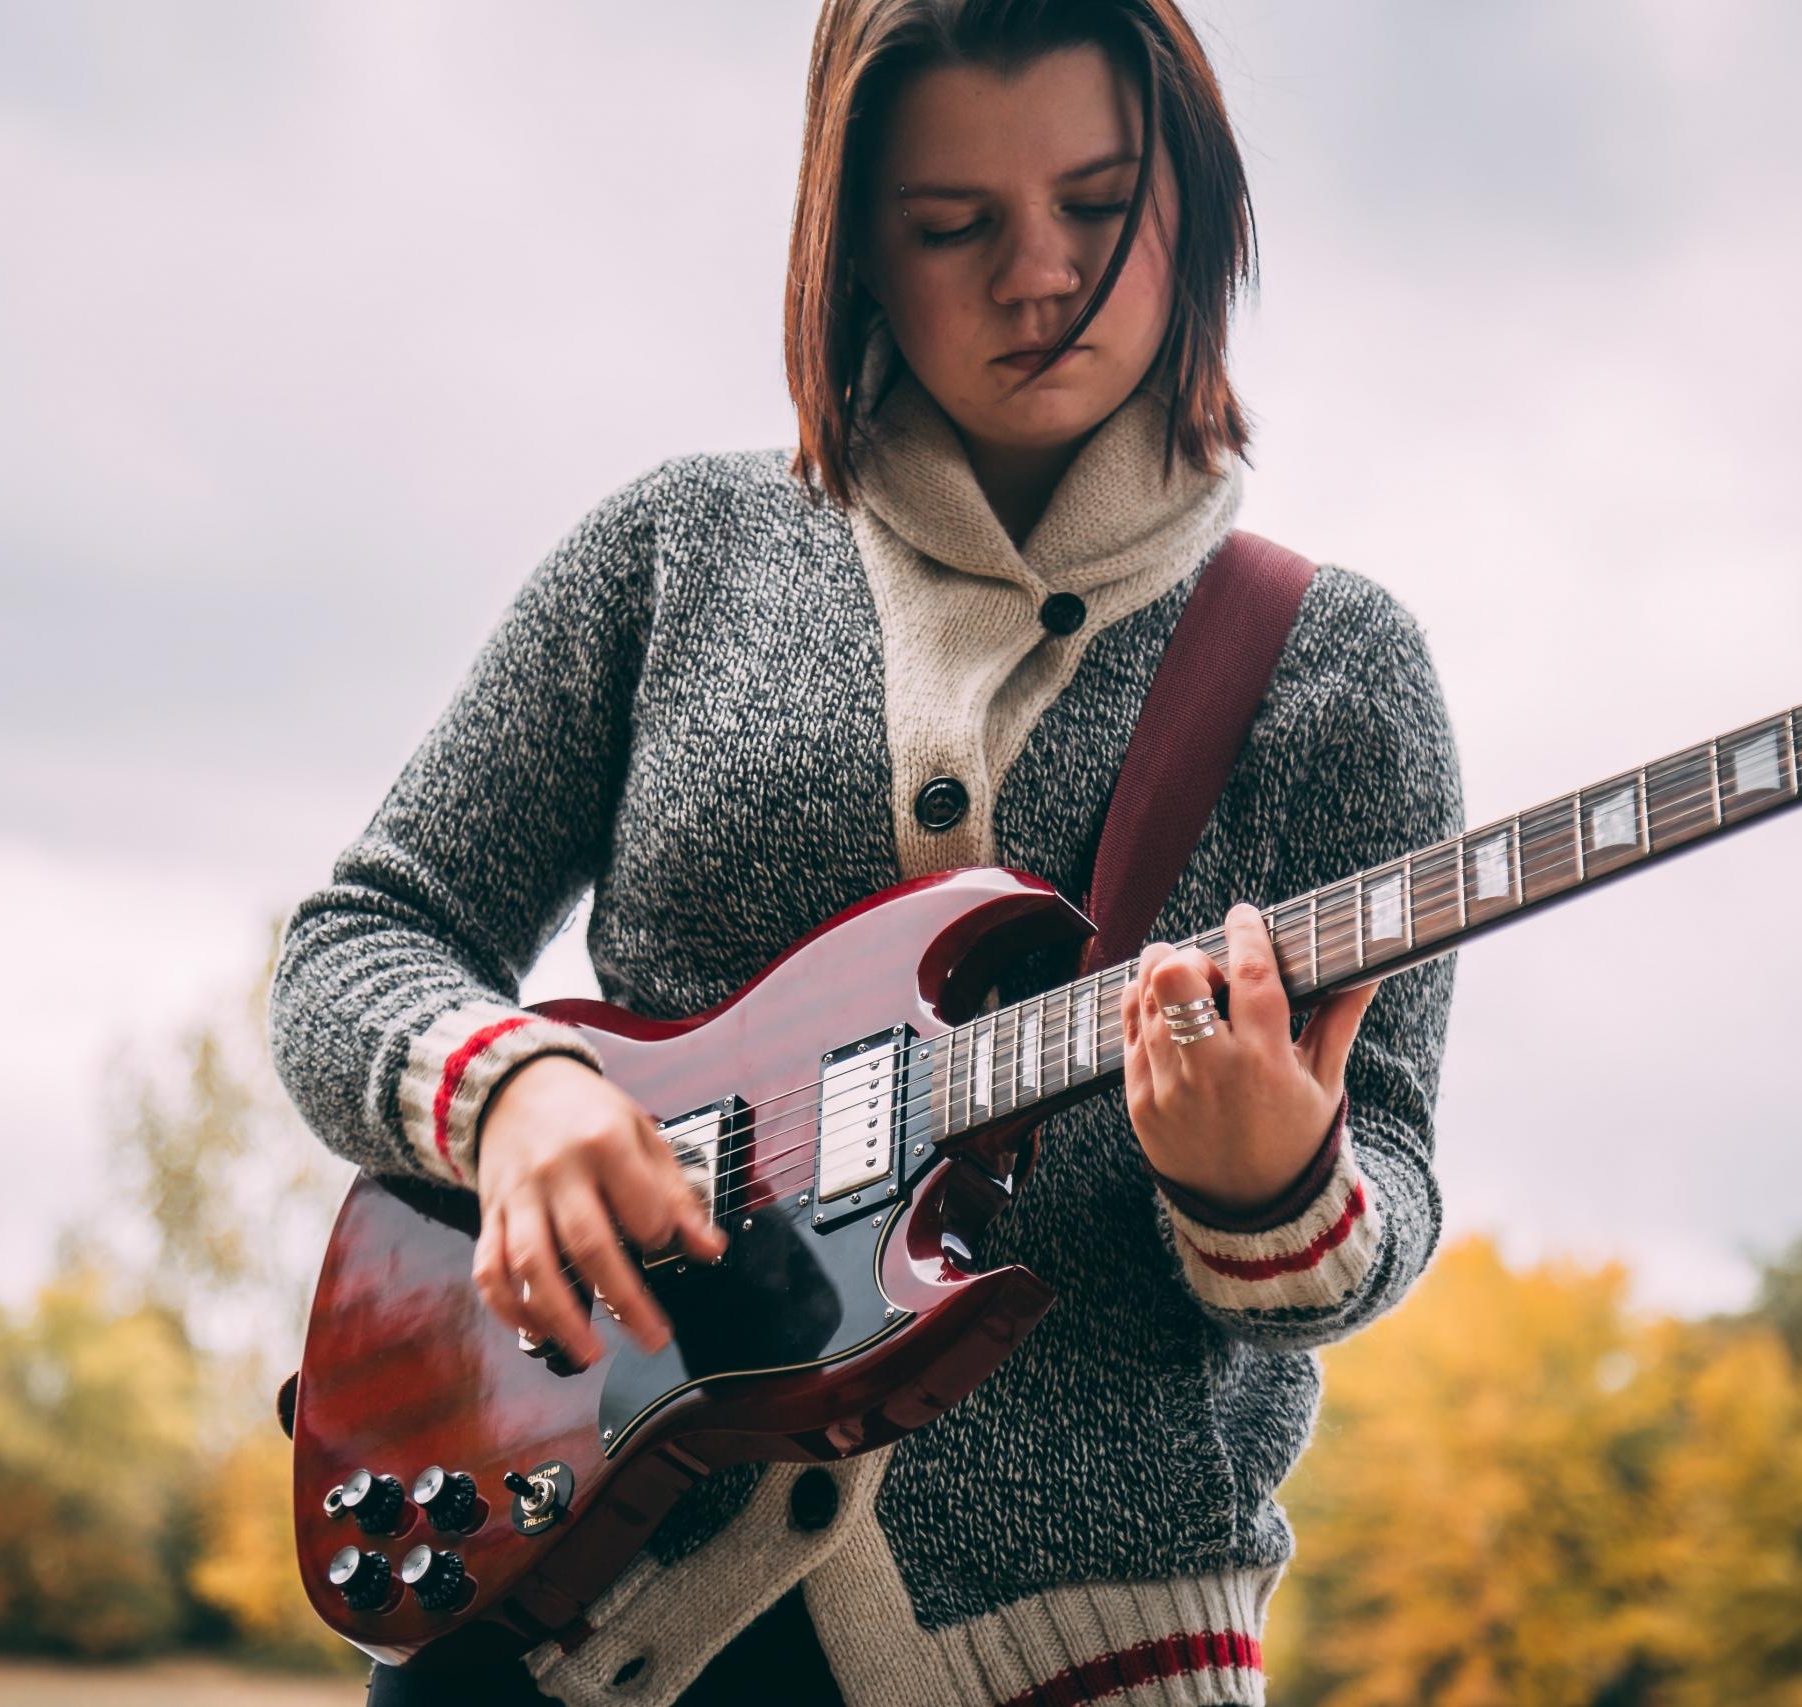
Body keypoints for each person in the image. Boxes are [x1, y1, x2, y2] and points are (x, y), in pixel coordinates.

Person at [269, 1, 1464, 1703]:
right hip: (544, 1613)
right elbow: (359, 940)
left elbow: (1388, 1192)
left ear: (1193, 203)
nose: (1037, 273)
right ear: (851, 256)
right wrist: (512, 1089)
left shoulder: (1332, 666)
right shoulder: (673, 551)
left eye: (1100, 202)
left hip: (1074, 1668)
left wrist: (1265, 1185)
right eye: (951, 226)